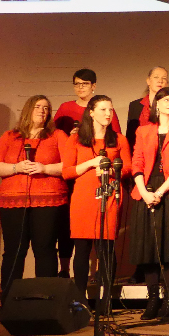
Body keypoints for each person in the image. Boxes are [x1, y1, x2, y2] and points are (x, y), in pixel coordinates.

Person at [0, 96, 68, 301]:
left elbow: (70, 165)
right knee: (14, 250)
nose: (42, 111)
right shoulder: (10, 136)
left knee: (45, 249)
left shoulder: (57, 135)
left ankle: (47, 299)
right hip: (13, 201)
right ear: (28, 110)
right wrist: (16, 168)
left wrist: (44, 168)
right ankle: (9, 300)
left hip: (49, 200)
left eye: (46, 108)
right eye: (38, 107)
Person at [129, 87, 169, 320]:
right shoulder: (143, 130)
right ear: (157, 104)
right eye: (167, 100)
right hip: (145, 189)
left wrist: (160, 191)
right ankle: (152, 299)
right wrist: (144, 192)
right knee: (149, 247)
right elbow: (136, 160)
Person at [61, 96, 131, 308]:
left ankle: (107, 301)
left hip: (108, 194)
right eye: (103, 109)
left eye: (110, 109)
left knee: (106, 248)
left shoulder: (119, 139)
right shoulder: (75, 139)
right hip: (83, 197)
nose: (108, 114)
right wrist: (91, 164)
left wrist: (112, 169)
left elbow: (127, 168)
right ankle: (79, 301)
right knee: (81, 250)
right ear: (90, 112)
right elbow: (67, 171)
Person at [53, 68, 122, 278]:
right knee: (75, 232)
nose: (80, 88)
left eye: (84, 84)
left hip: (104, 184)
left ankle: (104, 287)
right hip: (80, 177)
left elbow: (115, 139)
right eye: (77, 84)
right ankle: (66, 273)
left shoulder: (107, 113)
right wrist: (73, 136)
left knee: (104, 238)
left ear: (94, 86)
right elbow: (55, 135)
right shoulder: (66, 108)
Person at [127, 66, 169, 151]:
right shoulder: (135, 105)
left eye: (164, 78)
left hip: (168, 151)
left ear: (167, 83)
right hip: (140, 152)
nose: (160, 81)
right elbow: (130, 135)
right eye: (156, 77)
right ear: (148, 81)